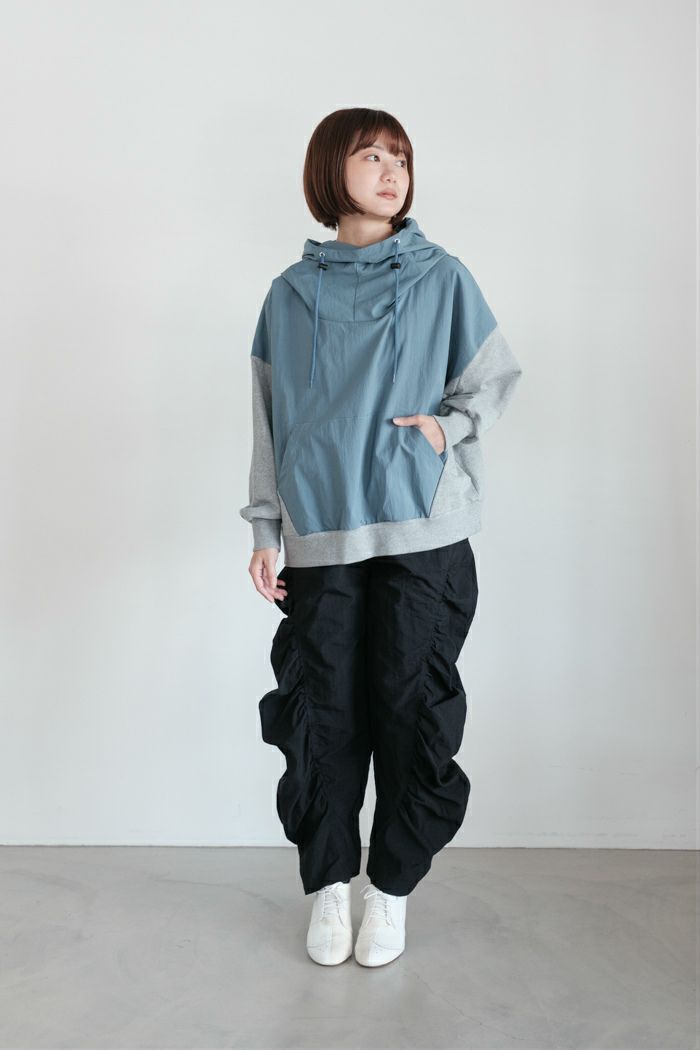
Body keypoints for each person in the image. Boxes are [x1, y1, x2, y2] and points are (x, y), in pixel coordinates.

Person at [239, 107, 523, 967]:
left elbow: (493, 377)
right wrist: (264, 526)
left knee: (410, 708)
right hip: (321, 531)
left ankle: (389, 890)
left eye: (400, 157)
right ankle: (330, 884)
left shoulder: (442, 277)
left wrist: (447, 428)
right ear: (331, 170)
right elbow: (268, 420)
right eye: (372, 156)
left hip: (421, 528)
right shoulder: (290, 295)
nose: (392, 171)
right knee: (323, 716)